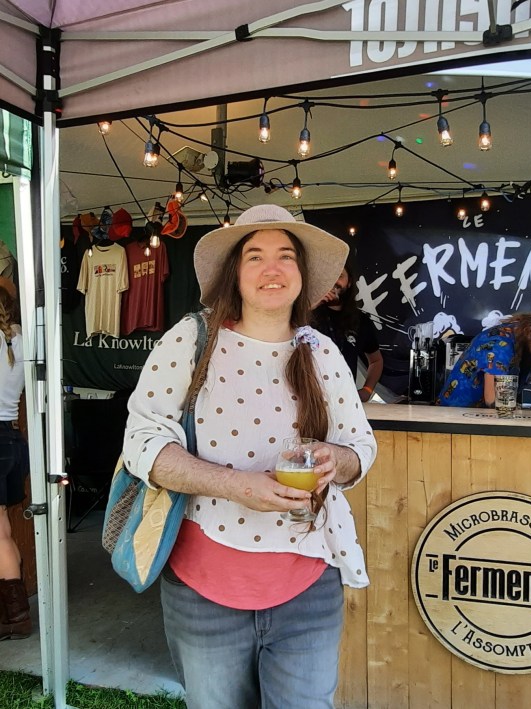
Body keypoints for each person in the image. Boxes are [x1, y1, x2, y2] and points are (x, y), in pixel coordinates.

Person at [122, 204, 377, 709]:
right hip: (203, 588)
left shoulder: (321, 351)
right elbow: (142, 445)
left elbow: (360, 448)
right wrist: (239, 486)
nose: (272, 268)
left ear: (302, 276)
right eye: (254, 255)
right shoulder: (192, 339)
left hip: (309, 583)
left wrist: (335, 459)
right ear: (234, 274)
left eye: (285, 255)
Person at [437, 306, 531, 408]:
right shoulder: (500, 346)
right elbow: (493, 401)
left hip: (479, 417)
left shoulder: (522, 338)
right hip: (454, 419)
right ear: (529, 332)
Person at [0, 278, 30, 641]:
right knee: (3, 531)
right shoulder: (22, 341)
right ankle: (15, 616)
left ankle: (17, 616)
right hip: (10, 438)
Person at [311, 265, 383, 402]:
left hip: (345, 402)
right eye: (329, 277)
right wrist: (311, 306)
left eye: (339, 276)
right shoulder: (305, 315)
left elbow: (376, 360)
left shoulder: (361, 321)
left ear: (349, 282)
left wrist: (368, 389)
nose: (333, 282)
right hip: (308, 400)